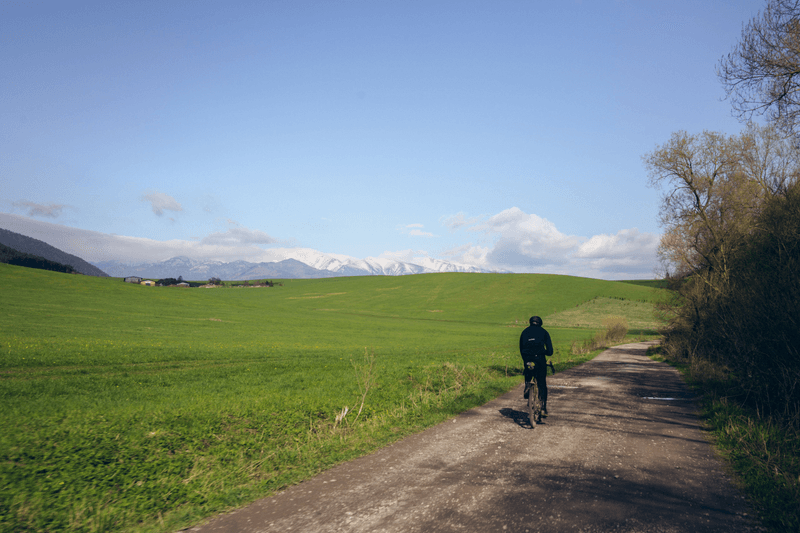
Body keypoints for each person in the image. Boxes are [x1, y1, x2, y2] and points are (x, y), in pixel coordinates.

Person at [519, 315, 553, 416]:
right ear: (540, 323)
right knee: (542, 382)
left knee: (528, 370)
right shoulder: (544, 332)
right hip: (540, 359)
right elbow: (550, 351)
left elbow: (521, 348)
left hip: (528, 358)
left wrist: (526, 359)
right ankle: (543, 408)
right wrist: (545, 352)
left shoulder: (524, 332)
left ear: (530, 322)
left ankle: (527, 385)